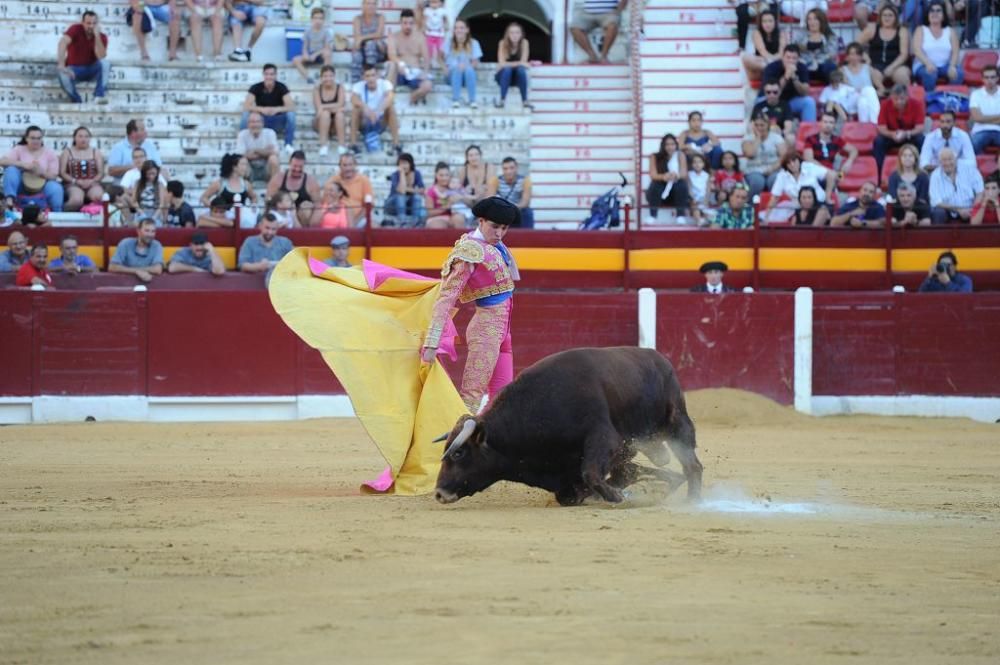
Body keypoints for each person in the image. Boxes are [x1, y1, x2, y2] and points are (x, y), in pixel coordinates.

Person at [421, 196, 521, 413]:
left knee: (502, 400)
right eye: (495, 227)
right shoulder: (468, 252)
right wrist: (431, 343)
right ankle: (455, 445)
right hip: (485, 332)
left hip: (503, 332)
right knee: (471, 398)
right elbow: (446, 297)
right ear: (481, 221)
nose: (499, 233)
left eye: (504, 228)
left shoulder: (495, 244)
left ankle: (491, 445)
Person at [1, 126, 64, 212]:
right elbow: (2, 161)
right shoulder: (19, 149)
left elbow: (54, 176)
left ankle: (57, 214)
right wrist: (23, 164)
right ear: (26, 138)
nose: (36, 141)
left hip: (41, 188)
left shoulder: (49, 153)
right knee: (11, 170)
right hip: (22, 187)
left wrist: (41, 172)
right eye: (33, 138)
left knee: (55, 187)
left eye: (38, 138)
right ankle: (10, 200)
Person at [764, 151, 836, 222]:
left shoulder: (809, 167)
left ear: (799, 160)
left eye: (794, 161)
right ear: (786, 165)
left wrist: (828, 197)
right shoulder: (782, 176)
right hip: (799, 209)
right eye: (789, 163)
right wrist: (766, 217)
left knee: (822, 213)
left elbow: (831, 175)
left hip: (819, 204)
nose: (792, 165)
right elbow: (775, 197)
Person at [57, 11, 110, 105]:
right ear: (82, 22)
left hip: (92, 69)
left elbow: (101, 56)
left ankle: (98, 96)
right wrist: (61, 64)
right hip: (74, 70)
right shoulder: (75, 29)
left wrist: (97, 36)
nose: (91, 26)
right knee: (62, 73)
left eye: (94, 23)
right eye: (88, 23)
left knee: (106, 63)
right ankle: (76, 100)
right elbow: (63, 42)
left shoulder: (102, 37)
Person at [240, 64, 296, 153]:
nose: (269, 77)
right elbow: (246, 106)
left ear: (276, 75)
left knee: (291, 114)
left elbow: (291, 107)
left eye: (272, 74)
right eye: (267, 74)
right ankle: (243, 142)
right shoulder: (256, 87)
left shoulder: (281, 87)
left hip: (277, 120)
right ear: (263, 75)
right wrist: (262, 109)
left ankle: (288, 144)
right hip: (261, 121)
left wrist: (276, 110)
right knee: (246, 114)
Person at [874, 83, 926, 177]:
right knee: (878, 141)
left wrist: (906, 133)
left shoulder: (916, 104)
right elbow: (881, 128)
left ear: (907, 96)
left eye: (902, 99)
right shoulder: (885, 104)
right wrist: (892, 134)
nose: (899, 102)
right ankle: (879, 173)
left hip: (909, 135)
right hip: (892, 135)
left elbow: (920, 127)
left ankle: (920, 171)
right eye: (895, 99)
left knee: (921, 139)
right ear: (891, 98)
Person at [911, 0, 964, 91]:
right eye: (931, 10)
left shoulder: (950, 31)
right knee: (930, 74)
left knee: (958, 73)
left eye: (938, 10)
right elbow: (917, 50)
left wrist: (952, 66)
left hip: (945, 65)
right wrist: (928, 63)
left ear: (943, 15)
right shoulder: (921, 29)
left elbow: (955, 52)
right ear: (927, 14)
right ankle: (930, 99)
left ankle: (949, 98)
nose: (934, 13)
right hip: (923, 65)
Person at [350, 65, 401, 155]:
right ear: (363, 77)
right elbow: (354, 99)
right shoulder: (358, 86)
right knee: (355, 109)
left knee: (391, 107)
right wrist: (367, 109)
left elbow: (390, 97)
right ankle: (353, 145)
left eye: (373, 75)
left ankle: (396, 144)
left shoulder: (385, 84)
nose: (371, 79)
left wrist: (377, 111)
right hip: (364, 122)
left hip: (380, 120)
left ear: (377, 76)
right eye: (367, 76)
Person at [858, 3, 912, 88]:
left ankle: (903, 98)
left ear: (895, 17)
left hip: (897, 65)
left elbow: (904, 54)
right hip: (875, 65)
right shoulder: (872, 28)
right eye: (884, 15)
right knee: (871, 74)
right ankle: (882, 93)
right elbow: (855, 45)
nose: (887, 18)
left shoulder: (902, 30)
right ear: (880, 17)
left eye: (890, 15)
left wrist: (892, 67)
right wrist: (865, 57)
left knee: (902, 75)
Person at [386, 9, 433, 105]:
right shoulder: (394, 37)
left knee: (428, 85)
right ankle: (389, 97)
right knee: (392, 65)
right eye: (405, 23)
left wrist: (425, 72)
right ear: (400, 23)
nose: (408, 26)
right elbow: (392, 55)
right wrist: (400, 64)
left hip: (415, 73)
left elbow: (427, 58)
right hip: (400, 73)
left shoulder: (420, 37)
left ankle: (413, 97)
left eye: (411, 23)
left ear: (414, 23)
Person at [761, 44, 817, 123]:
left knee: (809, 102)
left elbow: (805, 92)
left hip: (792, 101)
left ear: (798, 59)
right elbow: (771, 92)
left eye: (794, 58)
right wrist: (786, 77)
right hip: (773, 100)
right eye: (788, 57)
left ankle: (809, 132)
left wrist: (794, 78)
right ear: (782, 57)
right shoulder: (771, 68)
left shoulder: (802, 68)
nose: (791, 61)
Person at [929, 147, 985, 223]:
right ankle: (939, 235)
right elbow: (936, 201)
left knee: (983, 208)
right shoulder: (935, 175)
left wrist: (974, 208)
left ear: (956, 159)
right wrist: (958, 210)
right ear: (939, 162)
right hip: (948, 210)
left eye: (950, 159)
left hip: (971, 207)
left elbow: (980, 191)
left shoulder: (969, 168)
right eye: (944, 160)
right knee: (938, 212)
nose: (947, 163)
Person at [266, 150, 321, 227]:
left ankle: (304, 234)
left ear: (304, 165)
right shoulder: (278, 179)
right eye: (295, 166)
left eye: (300, 167)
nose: (297, 169)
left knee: (306, 207)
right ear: (289, 163)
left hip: (301, 217)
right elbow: (268, 200)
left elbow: (318, 205)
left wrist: (313, 225)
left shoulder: (311, 182)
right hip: (282, 214)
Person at [59, 126, 104, 212]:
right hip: (72, 183)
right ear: (74, 138)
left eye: (86, 136)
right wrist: (75, 181)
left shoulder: (96, 152)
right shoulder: (67, 152)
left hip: (92, 183)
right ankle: (62, 217)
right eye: (80, 136)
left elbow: (101, 173)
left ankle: (94, 217)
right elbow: (62, 173)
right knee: (76, 200)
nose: (83, 139)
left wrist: (91, 181)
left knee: (99, 196)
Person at [646, 133, 689, 222]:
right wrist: (664, 176)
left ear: (676, 145)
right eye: (667, 144)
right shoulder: (655, 156)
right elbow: (653, 175)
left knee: (681, 184)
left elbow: (684, 173)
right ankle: (653, 215)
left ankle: (680, 215)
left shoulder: (680, 155)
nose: (670, 147)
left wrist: (676, 175)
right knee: (655, 184)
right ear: (663, 146)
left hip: (675, 193)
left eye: (672, 144)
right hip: (659, 192)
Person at [742, 113, 787, 197]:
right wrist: (758, 138)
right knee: (758, 182)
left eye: (762, 125)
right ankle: (752, 206)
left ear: (768, 125)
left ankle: (773, 206)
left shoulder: (776, 138)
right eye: (756, 125)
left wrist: (772, 168)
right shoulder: (747, 138)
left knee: (775, 180)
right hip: (753, 170)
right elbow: (750, 154)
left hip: (773, 169)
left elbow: (783, 157)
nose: (759, 128)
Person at [835, 43, 883, 123]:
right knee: (868, 89)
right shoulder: (842, 70)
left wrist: (873, 93)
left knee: (863, 102)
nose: (854, 57)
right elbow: (844, 89)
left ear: (861, 56)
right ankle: (876, 122)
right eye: (852, 54)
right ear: (847, 56)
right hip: (851, 101)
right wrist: (864, 91)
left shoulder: (868, 69)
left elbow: (882, 89)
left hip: (867, 100)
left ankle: (864, 127)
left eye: (857, 54)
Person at [238, 212, 294, 279]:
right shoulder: (250, 241)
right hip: (254, 281)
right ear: (260, 226)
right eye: (267, 228)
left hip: (281, 281)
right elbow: (242, 265)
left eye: (273, 229)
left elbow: (295, 262)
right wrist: (259, 266)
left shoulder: (285, 242)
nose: (270, 232)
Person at [106, 119, 164, 184]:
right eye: (142, 129)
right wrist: (134, 167)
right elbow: (111, 171)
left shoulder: (150, 146)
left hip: (149, 186)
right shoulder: (119, 148)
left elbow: (159, 167)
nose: (146, 132)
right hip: (123, 188)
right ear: (133, 133)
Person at [108, 217, 164, 282]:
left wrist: (137, 270)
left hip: (149, 285)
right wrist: (136, 271)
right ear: (138, 231)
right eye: (147, 230)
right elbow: (112, 267)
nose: (150, 234)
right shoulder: (125, 244)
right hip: (125, 284)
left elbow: (157, 269)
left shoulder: (156, 245)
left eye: (153, 231)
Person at [325, 152, 374, 226]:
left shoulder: (364, 180)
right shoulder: (333, 181)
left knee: (374, 226)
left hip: (358, 219)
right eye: (345, 165)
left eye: (350, 165)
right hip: (336, 217)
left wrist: (354, 222)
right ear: (339, 166)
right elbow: (326, 202)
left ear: (355, 165)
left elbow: (369, 205)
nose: (348, 168)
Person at [444, 19, 483, 108]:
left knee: (469, 69)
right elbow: (439, 57)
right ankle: (455, 100)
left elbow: (475, 61)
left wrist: (466, 67)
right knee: (457, 69)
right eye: (456, 28)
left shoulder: (474, 43)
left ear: (467, 30)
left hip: (467, 77)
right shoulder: (448, 42)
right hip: (451, 75)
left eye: (461, 28)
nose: (459, 30)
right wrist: (444, 68)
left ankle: (472, 101)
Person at [495, 22, 532, 110]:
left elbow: (524, 62)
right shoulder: (502, 43)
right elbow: (502, 63)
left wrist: (518, 64)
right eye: (512, 33)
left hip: (517, 78)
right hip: (502, 77)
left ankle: (525, 101)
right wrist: (519, 63)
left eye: (517, 32)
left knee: (521, 70)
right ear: (507, 34)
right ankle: (502, 100)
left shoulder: (524, 43)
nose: (514, 35)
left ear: (521, 34)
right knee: (507, 70)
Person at [797, 7, 840, 84]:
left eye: (815, 19)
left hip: (822, 66)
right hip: (805, 66)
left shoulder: (830, 36)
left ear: (821, 21)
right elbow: (794, 49)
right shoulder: (801, 35)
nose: (811, 22)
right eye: (809, 19)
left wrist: (816, 62)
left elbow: (831, 54)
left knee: (830, 67)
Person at [742, 10, 787, 80]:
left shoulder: (782, 33)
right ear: (761, 23)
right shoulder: (756, 33)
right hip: (762, 64)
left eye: (770, 21)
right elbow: (763, 52)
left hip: (778, 62)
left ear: (775, 22)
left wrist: (773, 61)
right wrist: (769, 62)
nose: (767, 24)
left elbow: (782, 53)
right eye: (764, 21)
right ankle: (770, 68)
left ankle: (771, 69)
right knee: (745, 57)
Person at [236, 111, 281, 182]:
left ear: (262, 123)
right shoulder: (242, 134)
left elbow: (275, 153)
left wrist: (255, 150)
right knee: (241, 161)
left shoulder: (270, 133)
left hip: (266, 167)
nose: (255, 124)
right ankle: (244, 189)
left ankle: (273, 188)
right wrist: (265, 152)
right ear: (248, 124)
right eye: (252, 122)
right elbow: (240, 155)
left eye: (257, 122)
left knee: (273, 159)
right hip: (250, 168)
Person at [384, 152, 426, 227]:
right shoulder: (395, 175)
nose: (403, 166)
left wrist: (410, 190)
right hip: (392, 205)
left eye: (405, 163)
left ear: (410, 164)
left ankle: (415, 222)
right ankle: (402, 222)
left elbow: (422, 190)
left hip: (408, 206)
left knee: (417, 197)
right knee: (401, 196)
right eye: (401, 163)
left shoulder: (416, 173)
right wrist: (402, 173)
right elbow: (402, 191)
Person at [313, 65, 346, 157]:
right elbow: (318, 108)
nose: (328, 79)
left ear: (334, 77)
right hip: (320, 122)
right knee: (325, 114)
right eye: (325, 76)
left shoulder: (340, 88)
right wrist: (331, 108)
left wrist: (324, 106)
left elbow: (340, 104)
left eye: (330, 76)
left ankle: (342, 146)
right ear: (321, 77)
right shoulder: (317, 89)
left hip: (336, 124)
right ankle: (323, 146)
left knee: (340, 115)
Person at [350, 0, 387, 83]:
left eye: (373, 4)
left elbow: (379, 34)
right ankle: (356, 84)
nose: (371, 6)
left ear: (376, 6)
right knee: (356, 55)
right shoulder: (357, 19)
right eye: (368, 3)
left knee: (370, 45)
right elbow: (357, 38)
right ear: (363, 5)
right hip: (363, 50)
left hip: (377, 52)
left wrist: (363, 38)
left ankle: (370, 77)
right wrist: (362, 39)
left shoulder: (380, 17)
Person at [291, 6, 331, 81]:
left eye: (320, 18)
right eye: (316, 18)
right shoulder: (307, 32)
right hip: (310, 55)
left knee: (327, 53)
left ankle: (325, 76)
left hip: (320, 55)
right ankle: (308, 77)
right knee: (295, 59)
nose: (318, 21)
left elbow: (326, 48)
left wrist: (315, 54)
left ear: (323, 20)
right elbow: (304, 47)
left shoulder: (326, 32)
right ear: (312, 19)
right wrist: (305, 54)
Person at [425, 162, 467, 229]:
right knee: (439, 226)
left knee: (459, 219)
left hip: (453, 216)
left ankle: (460, 239)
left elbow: (467, 199)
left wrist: (461, 198)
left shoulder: (455, 186)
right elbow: (430, 212)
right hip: (436, 218)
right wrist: (447, 206)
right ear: (436, 175)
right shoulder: (431, 191)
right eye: (441, 175)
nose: (444, 178)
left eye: (446, 175)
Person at [970, 65, 1000, 155]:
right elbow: (977, 118)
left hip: (999, 130)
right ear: (982, 79)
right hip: (980, 130)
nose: (989, 80)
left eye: (992, 77)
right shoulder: (975, 94)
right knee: (971, 146)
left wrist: (984, 119)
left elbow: (981, 118)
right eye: (986, 77)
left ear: (997, 78)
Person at [456, 145, 496, 209]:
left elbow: (492, 188)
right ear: (467, 158)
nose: (474, 158)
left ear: (480, 156)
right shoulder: (463, 169)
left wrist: (483, 188)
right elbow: (457, 188)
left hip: (485, 201)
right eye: (471, 155)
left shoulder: (489, 167)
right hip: (468, 202)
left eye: (476, 154)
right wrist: (465, 190)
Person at [419, 0, 449, 67]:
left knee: (440, 48)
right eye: (432, 2)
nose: (433, 4)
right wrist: (424, 27)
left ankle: (440, 61)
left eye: (436, 2)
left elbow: (445, 19)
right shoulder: (427, 10)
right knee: (429, 48)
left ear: (440, 3)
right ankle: (428, 61)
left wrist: (446, 26)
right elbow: (424, 19)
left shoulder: (442, 10)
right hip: (430, 33)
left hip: (439, 33)